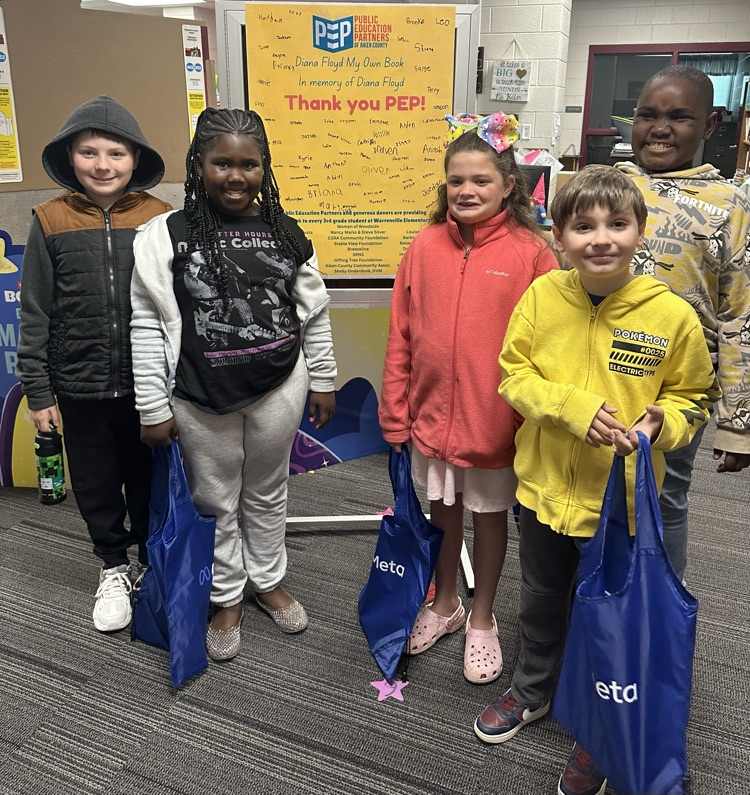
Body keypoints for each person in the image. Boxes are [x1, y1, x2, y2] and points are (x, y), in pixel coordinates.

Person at [473, 164, 720, 795]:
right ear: (559, 236)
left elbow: (694, 397)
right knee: (540, 598)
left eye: (617, 223)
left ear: (640, 230)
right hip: (543, 492)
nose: (601, 238)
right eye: (583, 226)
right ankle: (532, 688)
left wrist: (665, 422)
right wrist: (572, 409)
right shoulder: (541, 297)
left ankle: (600, 727)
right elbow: (513, 375)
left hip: (619, 507)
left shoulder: (671, 315)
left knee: (608, 620)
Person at [130, 107, 337, 662]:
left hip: (279, 386)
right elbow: (146, 323)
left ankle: (266, 581)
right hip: (199, 396)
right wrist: (152, 406)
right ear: (198, 164)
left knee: (267, 489)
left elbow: (314, 314)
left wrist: (323, 378)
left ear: (264, 168)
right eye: (222, 163)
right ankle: (227, 596)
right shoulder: (164, 235)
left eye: (250, 164)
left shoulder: (286, 232)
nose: (236, 176)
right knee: (215, 498)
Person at [378, 113, 558, 685]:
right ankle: (445, 603)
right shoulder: (424, 246)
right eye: (456, 180)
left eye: (481, 180)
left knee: (490, 517)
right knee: (443, 511)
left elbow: (550, 344)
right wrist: (395, 409)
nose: (467, 190)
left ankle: (483, 617)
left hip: (497, 424)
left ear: (509, 185)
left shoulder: (533, 253)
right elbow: (402, 333)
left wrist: (532, 419)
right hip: (432, 419)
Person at [16, 95, 171, 633]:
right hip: (79, 385)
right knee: (96, 483)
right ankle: (112, 566)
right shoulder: (50, 220)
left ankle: (152, 562)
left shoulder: (158, 217)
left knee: (149, 480)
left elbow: (175, 304)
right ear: (70, 156)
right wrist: (38, 391)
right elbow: (35, 309)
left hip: (148, 385)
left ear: (136, 158)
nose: (103, 165)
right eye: (89, 152)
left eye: (116, 153)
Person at [616, 64, 750, 581]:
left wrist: (738, 423)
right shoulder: (606, 186)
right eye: (648, 115)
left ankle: (657, 602)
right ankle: (591, 601)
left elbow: (740, 313)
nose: (660, 128)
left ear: (710, 125)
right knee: (588, 488)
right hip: (597, 368)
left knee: (664, 495)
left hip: (679, 384)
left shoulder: (730, 205)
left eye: (679, 117)